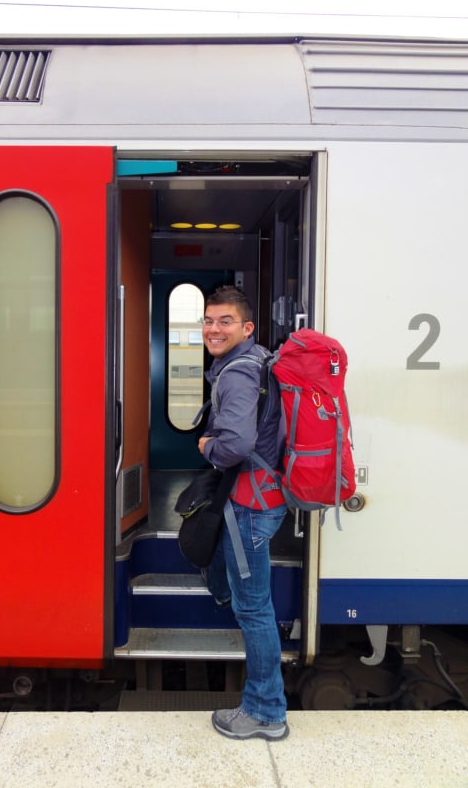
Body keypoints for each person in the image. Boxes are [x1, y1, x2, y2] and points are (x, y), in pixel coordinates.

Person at [198, 285, 289, 742]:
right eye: (209, 320)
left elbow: (235, 445)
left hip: (250, 508)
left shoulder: (236, 373)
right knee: (235, 585)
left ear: (246, 327)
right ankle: (221, 589)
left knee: (255, 611)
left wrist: (207, 445)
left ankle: (266, 711)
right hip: (262, 498)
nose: (214, 328)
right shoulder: (258, 360)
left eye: (225, 321)